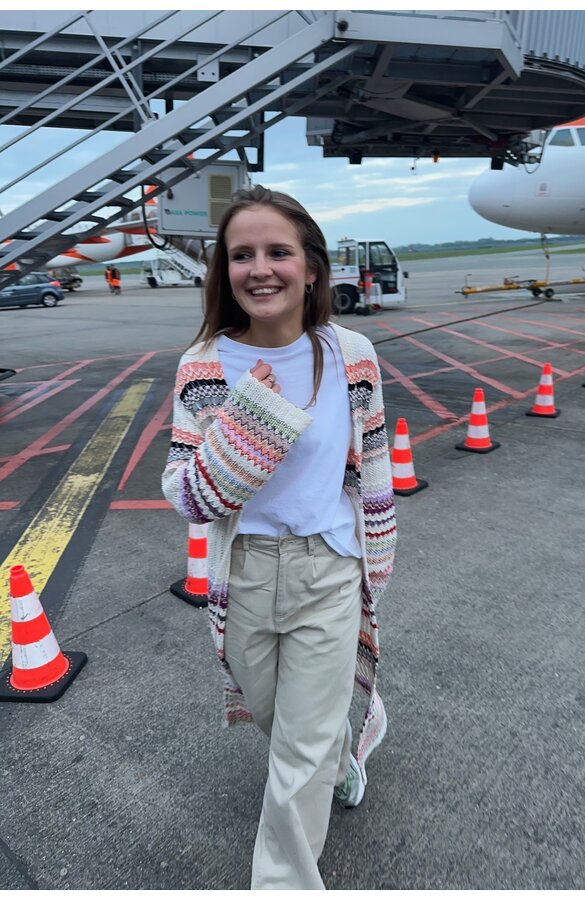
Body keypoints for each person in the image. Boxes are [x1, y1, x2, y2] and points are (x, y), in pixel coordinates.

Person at [161, 185, 396, 890]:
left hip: (329, 567)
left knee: (296, 750)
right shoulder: (203, 366)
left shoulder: (351, 353)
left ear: (312, 267)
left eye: (277, 252)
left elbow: (374, 459)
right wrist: (249, 425)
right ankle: (340, 761)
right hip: (247, 571)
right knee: (274, 720)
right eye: (241, 255)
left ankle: (283, 883)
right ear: (224, 271)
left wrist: (376, 556)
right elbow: (187, 495)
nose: (259, 269)